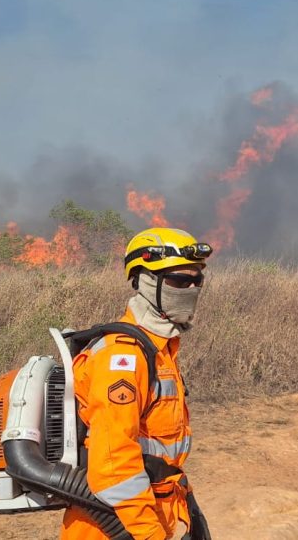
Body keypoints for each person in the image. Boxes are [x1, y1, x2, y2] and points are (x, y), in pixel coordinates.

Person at [61, 228, 212, 540]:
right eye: (179, 281)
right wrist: (148, 534)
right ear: (146, 281)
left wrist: (188, 509)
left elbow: (159, 453)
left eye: (197, 280)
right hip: (113, 527)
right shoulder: (123, 356)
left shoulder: (159, 349)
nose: (191, 289)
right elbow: (113, 463)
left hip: (147, 515)